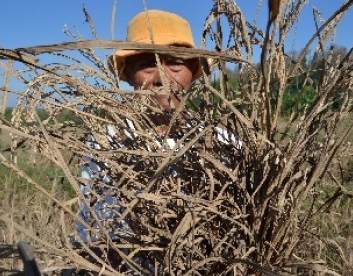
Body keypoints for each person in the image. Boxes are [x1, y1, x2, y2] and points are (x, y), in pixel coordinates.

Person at [76, 9, 241, 272]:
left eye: (175, 63)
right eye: (146, 65)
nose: (162, 78)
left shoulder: (224, 142)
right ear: (129, 75)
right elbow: (97, 238)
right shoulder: (106, 144)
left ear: (192, 72)